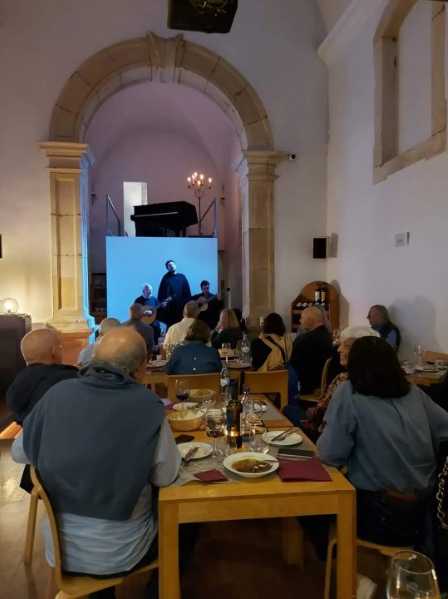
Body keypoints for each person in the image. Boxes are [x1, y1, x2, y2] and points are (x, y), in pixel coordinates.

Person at [11, 327, 180, 596]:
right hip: (121, 553)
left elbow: (20, 453)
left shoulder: (56, 395)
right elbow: (166, 476)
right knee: (184, 519)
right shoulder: (147, 406)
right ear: (141, 368)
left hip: (60, 551)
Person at [318, 336, 448, 547]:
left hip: (378, 513)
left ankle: (343, 562)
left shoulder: (349, 393)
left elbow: (329, 454)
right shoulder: (413, 393)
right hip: (424, 513)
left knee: (310, 504)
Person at [303, 326, 379, 441]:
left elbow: (321, 414)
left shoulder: (344, 381)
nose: (339, 349)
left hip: (332, 441)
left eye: (345, 345)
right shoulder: (386, 381)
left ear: (360, 351)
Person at [7, 328, 78, 425]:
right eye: (60, 347)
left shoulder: (19, 380)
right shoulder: (67, 378)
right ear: (53, 351)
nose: (61, 349)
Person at [289, 306, 333, 395]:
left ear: (310, 319)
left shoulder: (304, 340)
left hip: (308, 386)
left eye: (302, 318)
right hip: (323, 383)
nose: (300, 321)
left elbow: (294, 365)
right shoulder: (328, 336)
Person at [157, 260, 191, 328]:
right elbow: (161, 292)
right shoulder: (165, 278)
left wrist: (188, 303)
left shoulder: (182, 277)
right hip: (170, 308)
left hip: (181, 306)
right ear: (167, 268)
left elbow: (187, 291)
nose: (171, 266)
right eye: (169, 265)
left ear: (175, 265)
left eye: (172, 264)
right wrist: (162, 302)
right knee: (171, 327)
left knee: (182, 326)